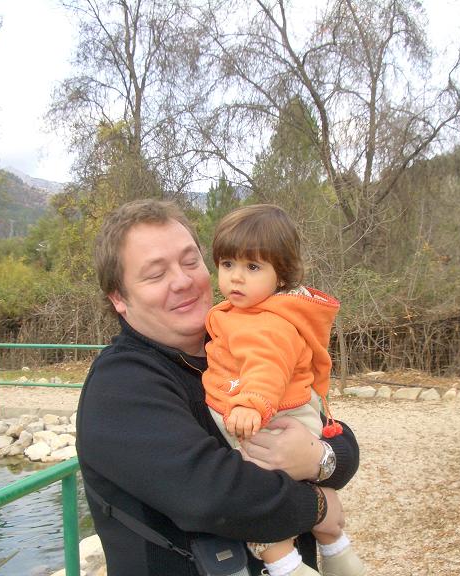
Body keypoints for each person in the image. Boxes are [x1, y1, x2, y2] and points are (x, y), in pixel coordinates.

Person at [76, 199, 360, 576]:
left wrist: (318, 458)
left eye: (190, 261)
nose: (183, 281)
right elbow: (212, 494)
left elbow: (336, 436)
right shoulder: (120, 385)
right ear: (119, 298)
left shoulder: (234, 343)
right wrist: (319, 506)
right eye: (156, 274)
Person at [203, 204, 365, 576]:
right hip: (282, 413)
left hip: (271, 417)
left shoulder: (268, 322)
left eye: (252, 267)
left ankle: (287, 566)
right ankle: (338, 549)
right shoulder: (247, 313)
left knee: (254, 494)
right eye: (227, 264)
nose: (236, 277)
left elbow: (267, 366)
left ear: (281, 276)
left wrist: (252, 404)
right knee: (293, 489)